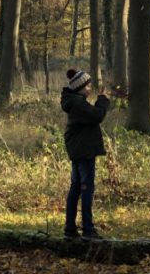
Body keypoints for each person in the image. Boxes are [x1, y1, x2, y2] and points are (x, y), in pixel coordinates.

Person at [61, 68, 110, 239]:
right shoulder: (78, 104)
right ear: (80, 87)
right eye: (88, 86)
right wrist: (103, 99)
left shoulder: (74, 101)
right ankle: (88, 229)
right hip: (84, 152)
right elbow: (98, 115)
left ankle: (70, 229)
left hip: (79, 151)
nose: (90, 88)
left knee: (76, 188)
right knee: (86, 189)